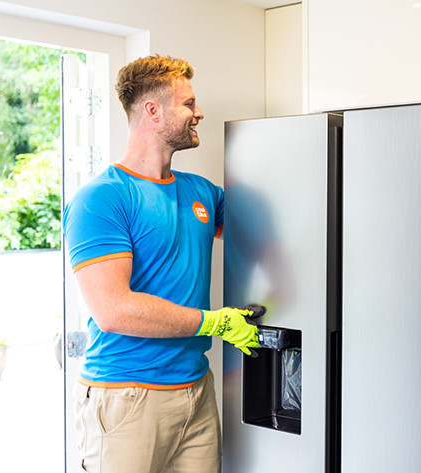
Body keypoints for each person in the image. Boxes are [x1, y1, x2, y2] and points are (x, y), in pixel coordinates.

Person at [62, 54, 263, 473]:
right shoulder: (102, 199)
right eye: (188, 103)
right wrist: (214, 323)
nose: (199, 112)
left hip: (196, 391)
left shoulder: (203, 193)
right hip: (127, 396)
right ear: (152, 111)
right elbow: (114, 310)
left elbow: (260, 239)